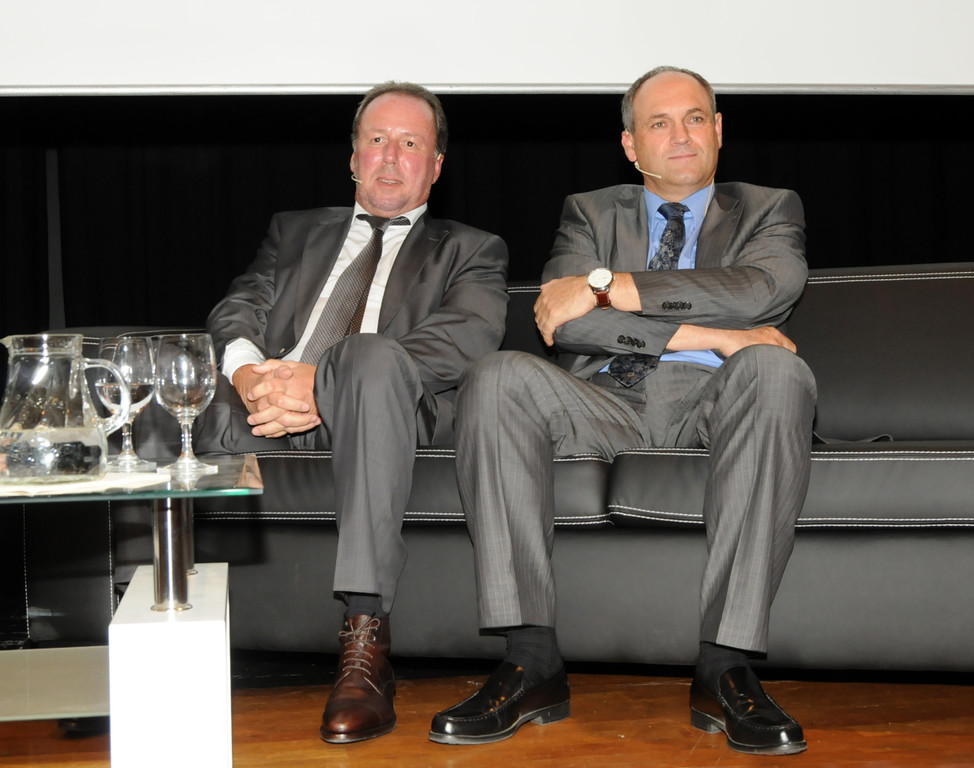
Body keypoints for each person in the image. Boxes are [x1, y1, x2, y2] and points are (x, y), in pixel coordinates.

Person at [430, 66, 815, 756]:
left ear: (718, 130)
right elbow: (566, 321)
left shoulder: (768, 207)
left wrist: (609, 287)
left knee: (776, 368)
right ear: (631, 145)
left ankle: (725, 666)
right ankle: (530, 659)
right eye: (659, 123)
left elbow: (760, 288)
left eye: (694, 118)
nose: (681, 135)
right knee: (496, 377)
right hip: (603, 400)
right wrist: (715, 334)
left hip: (717, 400)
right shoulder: (590, 212)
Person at [199, 82, 509, 744]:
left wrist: (324, 385)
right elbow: (239, 307)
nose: (390, 157)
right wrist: (252, 377)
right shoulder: (293, 230)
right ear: (352, 158)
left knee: (366, 358)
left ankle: (365, 641)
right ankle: (153, 621)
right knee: (172, 390)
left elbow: (464, 339)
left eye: (410, 143)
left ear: (435, 166)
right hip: (269, 409)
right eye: (376, 140)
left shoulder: (472, 248)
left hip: (387, 408)